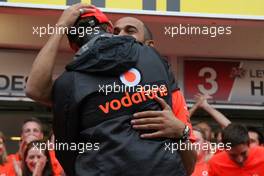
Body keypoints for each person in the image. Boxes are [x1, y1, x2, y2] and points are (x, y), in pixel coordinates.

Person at [26, 4, 196, 175]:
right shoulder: (73, 83)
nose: (121, 36)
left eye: (129, 31)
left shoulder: (69, 83)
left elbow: (66, 149)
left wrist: (182, 131)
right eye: (116, 31)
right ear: (108, 30)